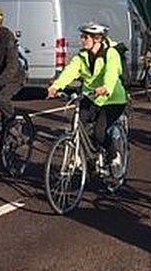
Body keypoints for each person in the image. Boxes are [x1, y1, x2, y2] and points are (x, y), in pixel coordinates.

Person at [47, 22, 129, 176]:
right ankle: (82, 157)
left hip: (112, 99)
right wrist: (56, 86)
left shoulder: (111, 53)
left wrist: (106, 87)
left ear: (97, 38)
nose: (82, 40)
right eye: (82, 36)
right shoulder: (81, 56)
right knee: (78, 124)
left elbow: (111, 73)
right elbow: (70, 71)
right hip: (91, 97)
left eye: (86, 37)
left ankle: (114, 156)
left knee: (100, 132)